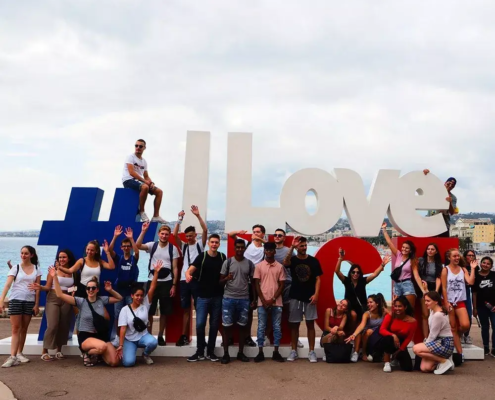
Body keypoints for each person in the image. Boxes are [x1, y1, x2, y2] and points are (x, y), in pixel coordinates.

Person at [51, 268, 122, 367]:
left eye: (93, 288)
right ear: (86, 290)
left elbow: (119, 298)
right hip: (86, 337)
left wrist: (110, 290)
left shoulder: (102, 300)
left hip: (101, 336)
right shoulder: (81, 302)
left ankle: (98, 355)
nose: (91, 290)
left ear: (97, 289)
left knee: (114, 362)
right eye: (88, 288)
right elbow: (59, 294)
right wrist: (54, 276)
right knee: (102, 346)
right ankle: (87, 353)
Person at [136, 222, 179, 346]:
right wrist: (143, 231)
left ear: (169, 235)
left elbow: (175, 268)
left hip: (167, 282)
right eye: (162, 234)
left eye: (166, 234)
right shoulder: (152, 245)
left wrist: (174, 285)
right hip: (152, 281)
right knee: (149, 310)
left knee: (164, 311)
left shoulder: (173, 248)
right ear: (159, 234)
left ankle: (160, 335)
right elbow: (138, 245)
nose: (164, 236)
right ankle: (148, 334)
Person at [29, 249, 75, 361]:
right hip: (53, 298)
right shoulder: (53, 270)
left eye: (64, 257)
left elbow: (74, 286)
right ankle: (45, 350)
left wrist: (73, 291)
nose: (61, 259)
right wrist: (40, 287)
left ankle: (59, 350)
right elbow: (48, 287)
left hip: (66, 298)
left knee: (64, 325)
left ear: (68, 258)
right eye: (60, 257)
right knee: (52, 325)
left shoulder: (72, 271)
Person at [186, 234, 226, 362]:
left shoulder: (222, 257)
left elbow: (224, 275)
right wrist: (188, 275)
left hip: (217, 296)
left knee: (214, 325)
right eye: (212, 242)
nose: (214, 244)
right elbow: (190, 270)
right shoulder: (202, 256)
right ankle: (199, 351)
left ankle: (210, 351)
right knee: (200, 324)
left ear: (219, 244)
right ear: (208, 243)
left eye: (216, 242)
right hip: (202, 296)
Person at [0, 246, 42, 368]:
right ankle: (12, 356)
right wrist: (1, 300)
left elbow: (37, 289)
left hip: (29, 301)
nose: (23, 255)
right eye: (22, 253)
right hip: (16, 299)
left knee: (24, 329)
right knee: (15, 328)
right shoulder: (15, 268)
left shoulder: (37, 269)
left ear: (31, 255)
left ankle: (19, 353)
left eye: (26, 253)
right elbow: (7, 285)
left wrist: (36, 304)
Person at [283, 236, 322, 363]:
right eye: (301, 246)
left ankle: (311, 351)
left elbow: (318, 279)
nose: (304, 248)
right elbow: (285, 262)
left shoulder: (314, 261)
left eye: (305, 245)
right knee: (294, 325)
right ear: (297, 247)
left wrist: (316, 294)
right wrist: (292, 248)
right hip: (295, 296)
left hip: (310, 297)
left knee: (310, 324)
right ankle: (293, 350)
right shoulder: (293, 260)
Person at [173, 206, 208, 346]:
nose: (188, 238)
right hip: (183, 280)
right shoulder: (184, 246)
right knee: (186, 309)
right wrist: (179, 219)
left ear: (195, 235)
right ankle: (183, 336)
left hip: (197, 280)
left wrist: (198, 216)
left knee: (200, 309)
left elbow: (205, 230)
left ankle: (200, 337)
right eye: (187, 236)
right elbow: (174, 235)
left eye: (191, 236)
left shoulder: (200, 245)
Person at [117, 261, 163, 367]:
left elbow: (152, 288)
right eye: (137, 295)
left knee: (153, 342)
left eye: (141, 295)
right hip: (130, 339)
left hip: (143, 336)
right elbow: (123, 328)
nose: (139, 298)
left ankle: (145, 354)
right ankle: (128, 351)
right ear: (132, 296)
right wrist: (121, 345)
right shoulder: (125, 310)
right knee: (128, 363)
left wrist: (156, 273)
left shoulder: (145, 304)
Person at [228, 224, 266, 347]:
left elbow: (273, 248)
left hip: (254, 283)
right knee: (235, 309)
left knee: (249, 311)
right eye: (254, 231)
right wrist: (239, 231)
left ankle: (247, 337)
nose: (255, 234)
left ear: (263, 234)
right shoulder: (246, 243)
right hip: (241, 281)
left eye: (258, 232)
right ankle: (232, 337)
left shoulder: (265, 247)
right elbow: (231, 235)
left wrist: (261, 240)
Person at [219, 239, 256, 364]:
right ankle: (225, 354)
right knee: (226, 327)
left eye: (242, 247)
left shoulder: (250, 264)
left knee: (242, 327)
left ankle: (241, 353)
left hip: (244, 299)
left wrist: (254, 299)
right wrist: (226, 278)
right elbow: (220, 282)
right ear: (234, 248)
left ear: (245, 249)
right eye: (238, 247)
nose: (240, 249)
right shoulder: (228, 262)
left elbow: (253, 283)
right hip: (228, 298)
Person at [335, 247, 389, 330]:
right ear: (350, 272)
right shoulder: (346, 281)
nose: (355, 274)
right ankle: (353, 332)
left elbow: (374, 274)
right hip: (350, 307)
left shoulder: (363, 281)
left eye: (357, 272)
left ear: (360, 273)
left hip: (362, 307)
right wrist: (340, 258)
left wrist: (382, 265)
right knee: (353, 315)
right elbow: (337, 271)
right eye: (353, 272)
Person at [441, 248, 475, 364]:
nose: (456, 258)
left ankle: (457, 338)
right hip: (449, 301)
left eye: (458, 256)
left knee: (465, 325)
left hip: (460, 301)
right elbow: (444, 287)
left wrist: (473, 269)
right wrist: (446, 302)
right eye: (454, 256)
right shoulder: (445, 270)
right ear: (449, 258)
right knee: (453, 328)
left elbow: (470, 282)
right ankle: (460, 353)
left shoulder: (463, 269)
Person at [253, 242, 286, 363]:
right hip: (262, 302)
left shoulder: (280, 267)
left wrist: (272, 299)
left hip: (276, 302)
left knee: (277, 327)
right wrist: (262, 299)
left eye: (271, 250)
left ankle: (276, 352)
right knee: (261, 326)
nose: (269, 252)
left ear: (274, 251)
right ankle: (260, 352)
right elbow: (256, 283)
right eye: (267, 250)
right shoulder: (259, 266)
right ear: (264, 251)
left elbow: (282, 284)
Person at [108, 226, 140, 345]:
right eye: (124, 246)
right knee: (117, 315)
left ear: (130, 247)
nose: (126, 248)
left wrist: (131, 239)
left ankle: (131, 336)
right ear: (121, 248)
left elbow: (137, 252)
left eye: (128, 246)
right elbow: (110, 250)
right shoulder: (119, 259)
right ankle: (117, 336)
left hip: (130, 291)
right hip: (119, 291)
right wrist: (115, 236)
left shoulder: (133, 259)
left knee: (131, 314)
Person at [122, 138, 166, 223]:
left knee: (159, 192)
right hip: (128, 180)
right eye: (136, 145)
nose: (138, 147)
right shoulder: (130, 157)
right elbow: (131, 172)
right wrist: (145, 181)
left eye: (140, 146)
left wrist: (151, 182)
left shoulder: (144, 161)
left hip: (140, 181)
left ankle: (156, 216)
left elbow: (146, 176)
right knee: (145, 187)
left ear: (144, 148)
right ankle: (142, 211)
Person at [273, 228, 303, 349]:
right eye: (275, 235)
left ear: (284, 238)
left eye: (280, 235)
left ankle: (295, 339)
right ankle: (268, 337)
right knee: (272, 314)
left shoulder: (289, 251)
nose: (277, 236)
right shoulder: (269, 250)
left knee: (291, 313)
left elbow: (294, 266)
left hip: (288, 286)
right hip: (273, 286)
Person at [413, 291, 455, 375]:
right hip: (438, 341)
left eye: (428, 301)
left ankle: (444, 361)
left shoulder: (438, 315)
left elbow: (432, 335)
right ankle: (443, 361)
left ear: (436, 301)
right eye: (425, 300)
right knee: (425, 368)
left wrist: (425, 345)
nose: (425, 303)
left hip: (444, 343)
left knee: (416, 349)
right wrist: (425, 289)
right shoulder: (432, 311)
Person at [382, 223, 419, 310]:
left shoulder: (412, 260)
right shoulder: (398, 255)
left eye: (407, 248)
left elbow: (416, 275)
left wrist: (424, 290)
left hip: (407, 284)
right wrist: (384, 230)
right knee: (397, 310)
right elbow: (389, 243)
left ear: (410, 250)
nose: (404, 249)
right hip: (397, 285)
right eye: (403, 247)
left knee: (409, 310)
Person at [378, 296, 417, 373]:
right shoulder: (390, 315)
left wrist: (400, 350)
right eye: (395, 306)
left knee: (408, 368)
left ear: (405, 307)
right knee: (389, 338)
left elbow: (408, 338)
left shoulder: (412, 321)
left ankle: (396, 358)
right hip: (387, 341)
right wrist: (393, 335)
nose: (397, 308)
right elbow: (381, 330)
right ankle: (387, 362)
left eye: (400, 306)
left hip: (400, 343)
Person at [345, 294, 387, 362]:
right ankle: (364, 353)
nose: (368, 304)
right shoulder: (367, 314)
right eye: (368, 303)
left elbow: (392, 316)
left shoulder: (383, 312)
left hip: (378, 334)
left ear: (377, 303)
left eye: (371, 302)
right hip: (367, 334)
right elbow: (362, 325)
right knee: (368, 331)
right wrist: (354, 335)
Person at [417, 243, 443, 338]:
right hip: (423, 287)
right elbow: (417, 275)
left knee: (435, 313)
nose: (430, 251)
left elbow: (438, 277)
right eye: (428, 249)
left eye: (432, 249)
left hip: (434, 287)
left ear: (436, 251)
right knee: (425, 314)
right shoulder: (421, 261)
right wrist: (423, 288)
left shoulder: (438, 264)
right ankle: (425, 337)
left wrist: (436, 291)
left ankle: (434, 336)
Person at [472, 256, 495, 356]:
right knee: (484, 327)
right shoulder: (476, 276)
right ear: (480, 264)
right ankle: (485, 347)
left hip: (494, 307)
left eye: (488, 263)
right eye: (484, 263)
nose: (485, 265)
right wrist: (475, 308)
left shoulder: (494, 275)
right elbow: (474, 293)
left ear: (491, 266)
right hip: (481, 306)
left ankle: (494, 348)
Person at [423, 170, 458, 237]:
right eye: (449, 183)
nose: (450, 185)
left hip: (444, 225)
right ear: (445, 183)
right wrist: (425, 174)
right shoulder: (435, 192)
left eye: (452, 185)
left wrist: (449, 202)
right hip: (431, 222)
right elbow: (426, 185)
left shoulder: (453, 198)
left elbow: (452, 212)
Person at [462, 249, 476, 345]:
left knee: (469, 314)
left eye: (472, 255)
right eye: (469, 255)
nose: (471, 257)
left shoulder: (476, 267)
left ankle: (466, 335)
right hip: (462, 291)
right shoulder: (462, 267)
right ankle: (460, 335)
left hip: (470, 291)